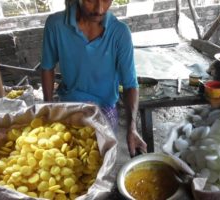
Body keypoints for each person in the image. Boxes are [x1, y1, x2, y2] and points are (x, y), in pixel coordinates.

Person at [41, 0, 147, 157]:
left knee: (99, 161)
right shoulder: (56, 25)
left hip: (104, 109)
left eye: (106, 0)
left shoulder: (119, 33)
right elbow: (47, 67)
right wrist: (48, 108)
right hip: (69, 105)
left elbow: (130, 84)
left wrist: (132, 128)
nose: (100, 9)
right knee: (64, 160)